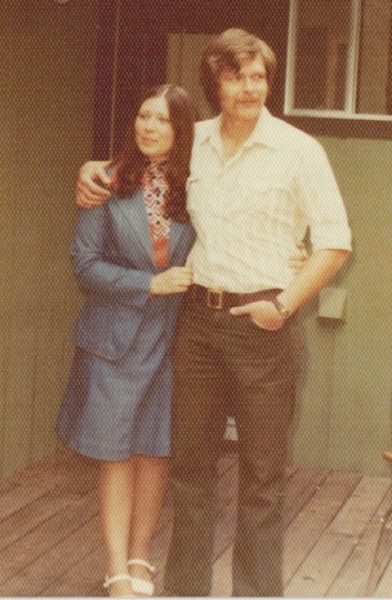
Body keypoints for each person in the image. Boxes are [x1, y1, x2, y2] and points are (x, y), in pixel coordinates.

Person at [74, 29, 352, 597]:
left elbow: (335, 243)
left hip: (265, 326)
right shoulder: (192, 140)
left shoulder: (301, 151)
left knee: (262, 478)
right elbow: (132, 163)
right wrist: (89, 170)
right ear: (214, 83)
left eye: (259, 76)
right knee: (192, 472)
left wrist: (285, 303)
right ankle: (184, 590)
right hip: (198, 325)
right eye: (235, 76)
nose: (250, 88)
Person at [56, 84, 197, 597]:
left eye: (162, 120)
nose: (149, 127)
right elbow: (84, 264)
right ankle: (117, 568)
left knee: (154, 451)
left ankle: (140, 557)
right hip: (113, 343)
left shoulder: (196, 187)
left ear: (181, 131)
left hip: (169, 343)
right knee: (116, 453)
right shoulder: (106, 184)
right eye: (143, 116)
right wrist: (148, 284)